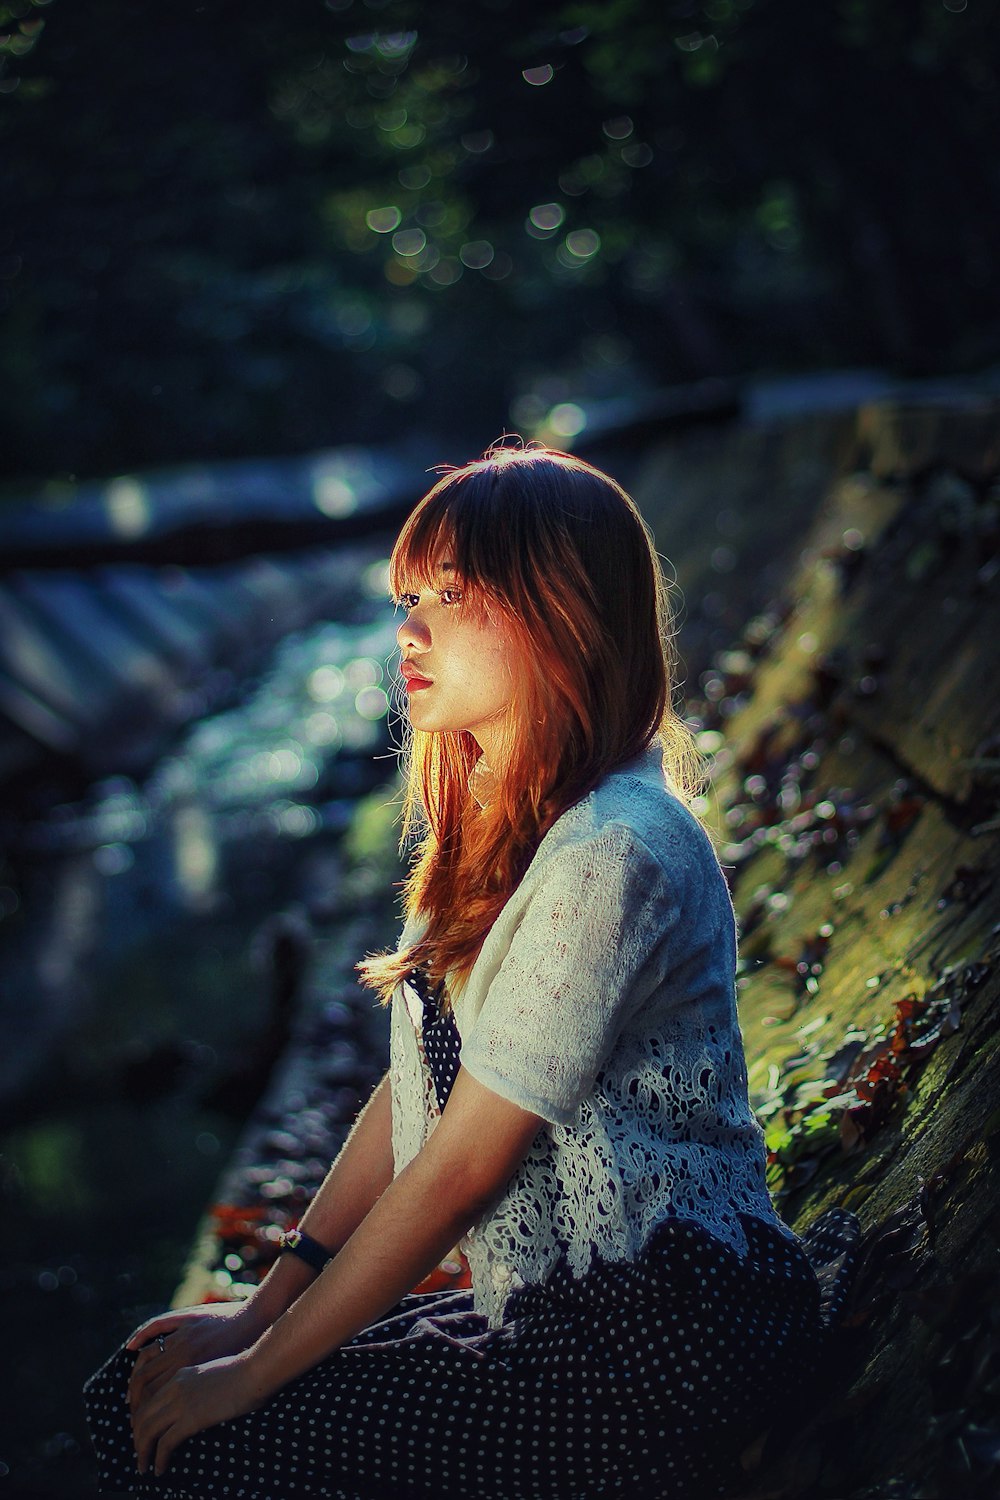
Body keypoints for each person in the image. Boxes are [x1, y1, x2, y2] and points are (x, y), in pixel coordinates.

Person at [85, 444, 842, 1500]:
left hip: (657, 1338)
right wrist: (265, 1305)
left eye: (450, 594)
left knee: (193, 1440)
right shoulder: (498, 823)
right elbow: (416, 1099)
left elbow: (460, 1169)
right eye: (408, 597)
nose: (410, 628)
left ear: (559, 611)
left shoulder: (612, 852)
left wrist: (254, 1371)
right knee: (134, 1391)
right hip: (551, 1306)